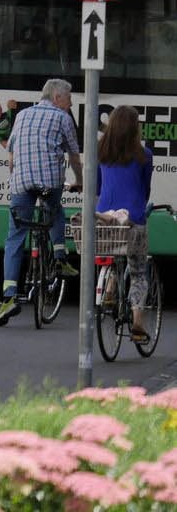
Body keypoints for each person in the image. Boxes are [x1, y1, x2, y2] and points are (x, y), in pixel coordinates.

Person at [0, 78, 84, 326]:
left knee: (15, 237)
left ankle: (9, 297)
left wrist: (15, 177)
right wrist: (80, 180)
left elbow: (10, 154)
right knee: (54, 209)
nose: (71, 103)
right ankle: (60, 259)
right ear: (56, 98)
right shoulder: (63, 118)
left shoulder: (22, 115)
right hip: (48, 183)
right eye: (69, 98)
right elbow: (74, 155)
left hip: (21, 183)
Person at [97, 104, 156, 342]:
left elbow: (98, 186)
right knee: (139, 272)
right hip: (133, 218)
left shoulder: (100, 150)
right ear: (135, 128)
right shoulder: (144, 155)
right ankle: (138, 324)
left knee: (112, 252)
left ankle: (109, 288)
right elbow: (145, 189)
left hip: (105, 216)